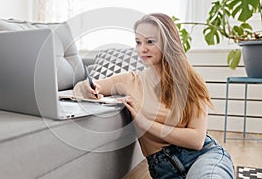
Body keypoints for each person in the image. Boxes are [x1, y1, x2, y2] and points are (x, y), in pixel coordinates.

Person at [73, 13, 235, 178]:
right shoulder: (130, 80)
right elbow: (81, 88)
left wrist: (146, 123)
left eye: (150, 42)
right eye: (138, 42)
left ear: (167, 43)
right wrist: (86, 87)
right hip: (164, 169)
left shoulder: (191, 81)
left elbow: (197, 139)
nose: (142, 49)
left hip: (203, 157)